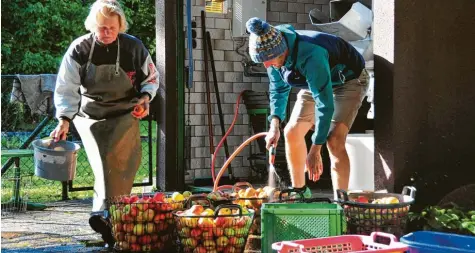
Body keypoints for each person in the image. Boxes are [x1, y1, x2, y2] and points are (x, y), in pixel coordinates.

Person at [50, 0, 159, 247]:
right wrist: (64, 119)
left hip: (125, 114)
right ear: (92, 26)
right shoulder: (79, 48)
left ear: (120, 25)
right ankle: (106, 217)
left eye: (111, 27)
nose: (106, 32)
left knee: (122, 167)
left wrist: (144, 98)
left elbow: (151, 78)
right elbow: (66, 87)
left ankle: (110, 220)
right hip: (91, 116)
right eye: (101, 28)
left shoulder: (134, 47)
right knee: (104, 164)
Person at [246, 17, 369, 198]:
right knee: (291, 132)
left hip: (348, 81)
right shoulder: (270, 52)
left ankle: (341, 204)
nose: (265, 65)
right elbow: (279, 89)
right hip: (314, 83)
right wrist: (274, 124)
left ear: (282, 51)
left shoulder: (312, 54)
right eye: (262, 61)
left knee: (334, 140)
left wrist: (315, 148)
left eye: (268, 60)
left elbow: (324, 104)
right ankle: (300, 192)